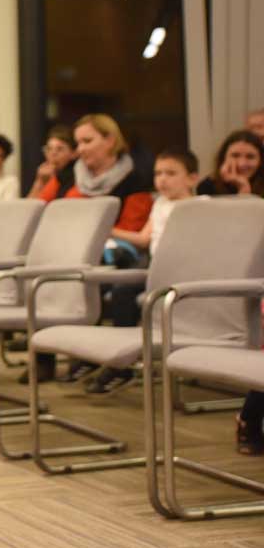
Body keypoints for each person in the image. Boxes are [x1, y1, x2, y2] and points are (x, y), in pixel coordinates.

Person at [33, 114, 154, 385]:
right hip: (67, 250)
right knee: (43, 270)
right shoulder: (68, 175)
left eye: (87, 141)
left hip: (114, 255)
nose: (80, 149)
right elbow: (39, 210)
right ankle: (47, 360)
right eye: (78, 143)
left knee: (82, 277)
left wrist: (91, 234)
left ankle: (94, 358)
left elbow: (131, 230)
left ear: (110, 141)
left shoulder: (134, 179)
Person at [86, 147, 203, 393]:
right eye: (158, 173)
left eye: (171, 173)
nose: (162, 179)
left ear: (192, 178)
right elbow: (143, 238)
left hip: (183, 270)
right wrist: (107, 229)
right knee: (109, 285)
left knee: (123, 291)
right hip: (154, 265)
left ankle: (122, 365)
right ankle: (102, 356)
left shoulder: (201, 205)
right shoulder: (160, 203)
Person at [197, 130, 264, 198]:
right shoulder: (207, 186)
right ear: (223, 157)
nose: (241, 164)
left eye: (250, 157)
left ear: (261, 160)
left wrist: (243, 187)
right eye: (235, 155)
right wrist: (242, 187)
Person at [26, 125, 76, 198]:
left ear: (73, 153)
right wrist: (40, 181)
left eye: (60, 149)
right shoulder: (47, 176)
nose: (53, 154)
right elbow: (30, 204)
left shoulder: (78, 176)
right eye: (49, 149)